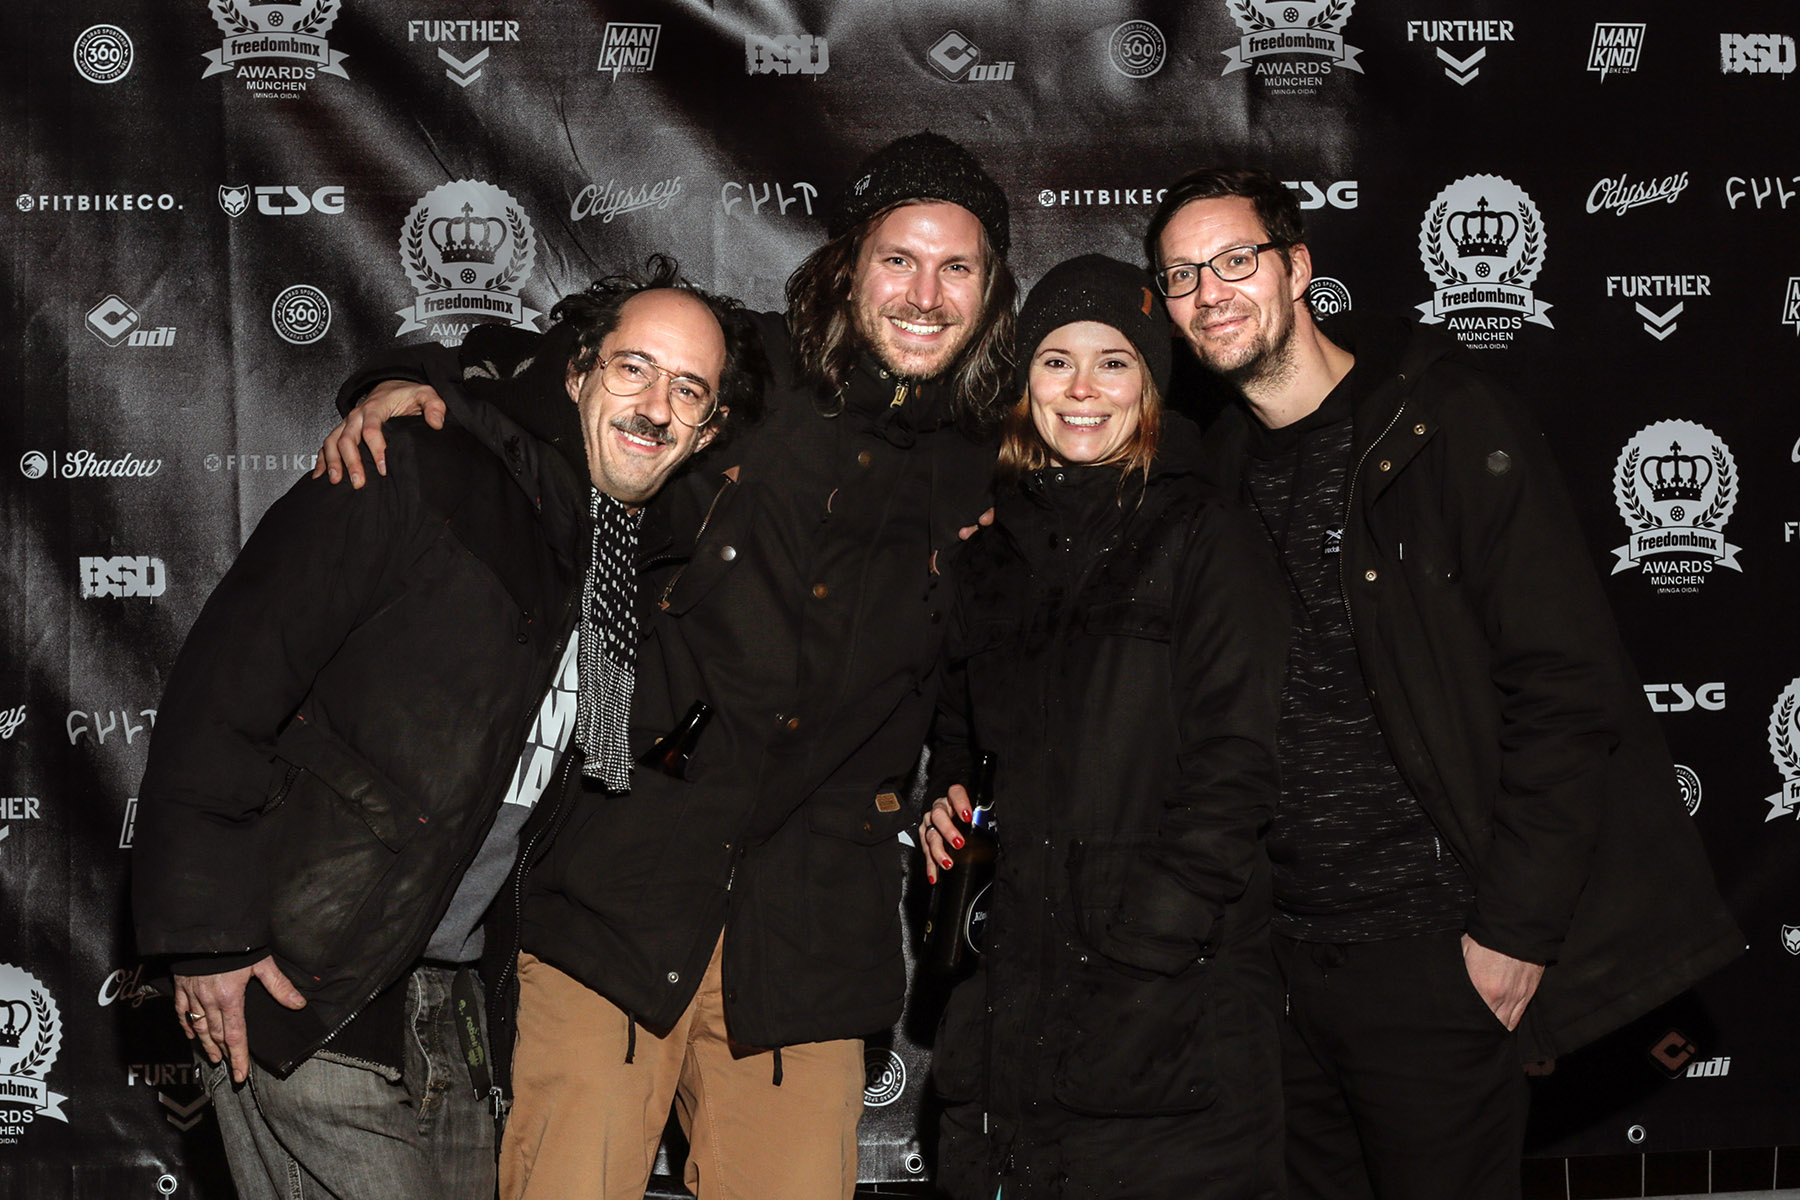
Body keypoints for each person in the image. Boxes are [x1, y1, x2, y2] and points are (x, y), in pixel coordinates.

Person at [319, 132, 1014, 1199]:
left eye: (956, 266)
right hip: (620, 886)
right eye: (898, 259)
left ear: (991, 285)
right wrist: (414, 381)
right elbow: (554, 371)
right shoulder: (745, 366)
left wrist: (963, 771)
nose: (924, 294)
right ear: (849, 263)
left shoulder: (998, 457)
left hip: (809, 940)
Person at [1141, 166, 1742, 1200]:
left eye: (1235, 260)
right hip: (1282, 969)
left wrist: (1511, 937)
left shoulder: (1443, 421)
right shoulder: (1218, 469)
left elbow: (1564, 691)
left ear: (1295, 268)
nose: (1211, 292)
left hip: (1434, 959)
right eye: (1183, 275)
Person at [132, 261, 763, 1200]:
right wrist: (209, 937)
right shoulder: (420, 465)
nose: (655, 405)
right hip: (309, 975)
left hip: (457, 1009)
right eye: (633, 368)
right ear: (577, 371)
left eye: (688, 389)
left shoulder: (625, 562)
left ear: (708, 428)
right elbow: (226, 683)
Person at [916, 255, 1290, 1199]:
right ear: (1023, 385)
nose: (1082, 390)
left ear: (1154, 386)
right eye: (1055, 361)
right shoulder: (986, 558)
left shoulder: (1206, 536)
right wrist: (944, 804)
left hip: (1165, 1022)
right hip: (1007, 1013)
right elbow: (962, 744)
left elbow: (1238, 770)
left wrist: (1144, 955)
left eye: (1114, 362)